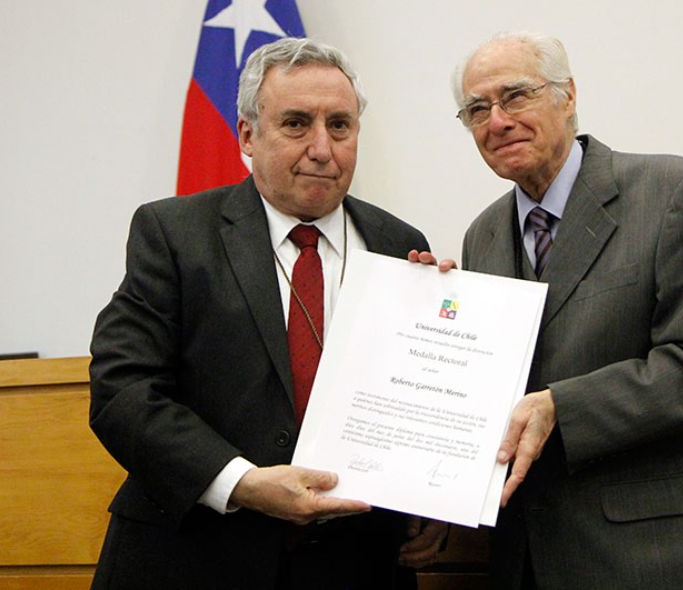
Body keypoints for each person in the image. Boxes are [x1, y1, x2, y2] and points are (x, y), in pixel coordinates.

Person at [89, 38, 445, 590]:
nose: (322, 148)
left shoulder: (400, 244)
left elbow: (415, 401)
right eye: (298, 124)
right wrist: (242, 482)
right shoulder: (175, 234)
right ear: (248, 135)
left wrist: (428, 499)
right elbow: (123, 391)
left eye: (341, 126)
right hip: (195, 558)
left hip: (356, 564)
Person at [445, 31, 683, 589]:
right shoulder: (482, 236)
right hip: (526, 556)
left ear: (567, 96)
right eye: (477, 109)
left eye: (515, 96)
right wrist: (429, 310)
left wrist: (561, 408)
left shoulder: (673, 191)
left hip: (651, 552)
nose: (497, 120)